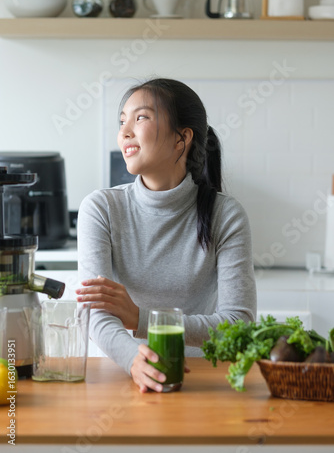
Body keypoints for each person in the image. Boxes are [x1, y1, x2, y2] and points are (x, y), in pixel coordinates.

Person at [76, 77, 256, 393]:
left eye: (141, 117)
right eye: (122, 121)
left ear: (181, 138)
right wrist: (134, 359)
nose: (125, 132)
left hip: (206, 379)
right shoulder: (100, 209)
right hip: (124, 373)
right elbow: (95, 312)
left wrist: (141, 318)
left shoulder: (225, 215)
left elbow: (237, 325)